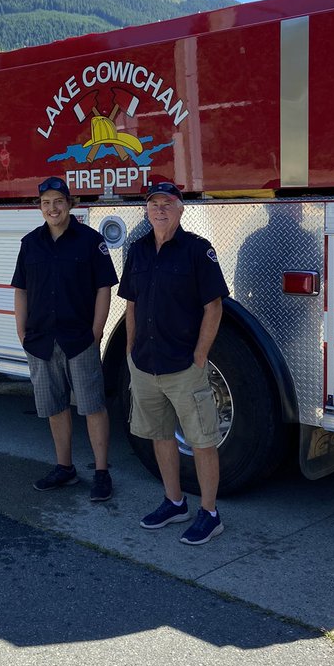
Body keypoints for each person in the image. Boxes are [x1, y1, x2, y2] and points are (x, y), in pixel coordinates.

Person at [118, 179, 230, 545]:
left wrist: (200, 356)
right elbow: (131, 303)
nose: (160, 209)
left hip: (184, 366)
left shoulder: (198, 251)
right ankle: (174, 501)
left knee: (201, 440)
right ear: (146, 211)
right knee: (160, 436)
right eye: (153, 204)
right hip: (145, 364)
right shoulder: (137, 250)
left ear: (181, 209)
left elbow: (213, 306)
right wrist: (131, 349)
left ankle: (210, 514)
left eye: (167, 203)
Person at [11, 177, 118, 501]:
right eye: (46, 202)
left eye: (58, 201)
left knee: (92, 406)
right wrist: (22, 331)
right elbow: (21, 289)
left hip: (78, 339)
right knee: (55, 407)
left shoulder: (90, 241)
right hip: (42, 341)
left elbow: (104, 287)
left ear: (70, 204)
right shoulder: (31, 243)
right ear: (40, 207)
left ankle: (101, 473)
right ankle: (65, 467)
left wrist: (96, 332)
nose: (52, 208)